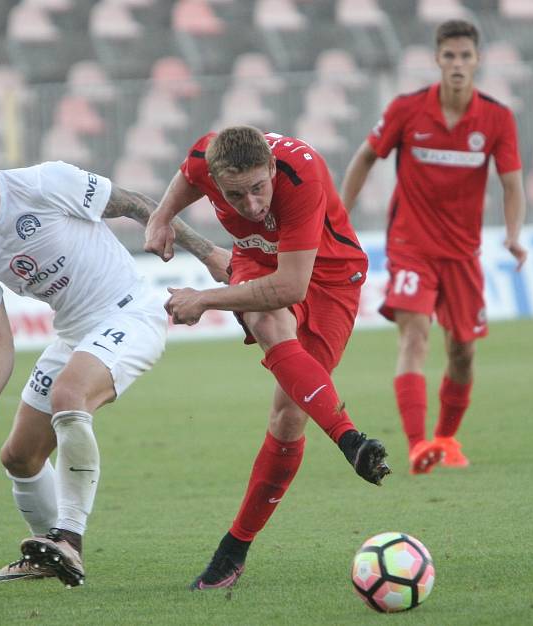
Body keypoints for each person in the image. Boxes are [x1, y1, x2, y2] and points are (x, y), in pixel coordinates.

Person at [0, 119, 229, 587]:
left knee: (69, 395)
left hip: (129, 313)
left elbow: (138, 204)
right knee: (19, 457)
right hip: (72, 335)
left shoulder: (44, 183)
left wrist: (207, 253)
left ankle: (70, 540)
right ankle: (50, 551)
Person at [145, 125, 391, 591]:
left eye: (259, 188)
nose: (253, 206)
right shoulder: (207, 156)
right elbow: (186, 176)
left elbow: (292, 287)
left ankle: (238, 542)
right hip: (258, 261)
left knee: (287, 418)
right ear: (218, 181)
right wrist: (160, 216)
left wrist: (206, 299)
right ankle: (349, 440)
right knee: (266, 321)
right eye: (236, 195)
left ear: (272, 169)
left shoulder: (303, 177)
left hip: (330, 276)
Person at [340, 20, 527, 475]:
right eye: (450, 56)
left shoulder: (497, 118)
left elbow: (512, 184)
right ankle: (416, 443)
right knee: (415, 335)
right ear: (438, 60)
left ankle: (445, 438)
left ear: (477, 60)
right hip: (410, 245)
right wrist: (338, 217)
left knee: (463, 350)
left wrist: (514, 234)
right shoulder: (407, 109)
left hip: (463, 253)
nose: (458, 64)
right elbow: (365, 157)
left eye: (466, 56)